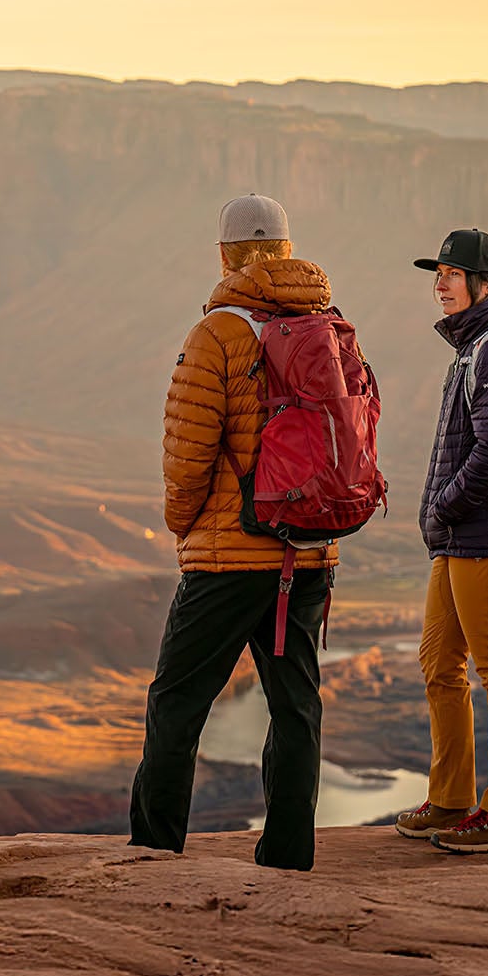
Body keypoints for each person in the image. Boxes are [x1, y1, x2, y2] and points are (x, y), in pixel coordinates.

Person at [127, 194, 338, 871]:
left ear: (225, 254)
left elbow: (188, 451)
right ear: (285, 251)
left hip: (227, 556)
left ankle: (155, 851)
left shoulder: (218, 333)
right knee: (295, 707)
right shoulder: (325, 324)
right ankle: (287, 854)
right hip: (305, 549)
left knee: (176, 703)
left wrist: (181, 521)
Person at [394, 227, 488, 854]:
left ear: (486, 283)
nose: (439, 283)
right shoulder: (473, 347)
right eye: (437, 273)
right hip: (461, 538)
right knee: (439, 663)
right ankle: (452, 798)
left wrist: (444, 505)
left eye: (451, 274)